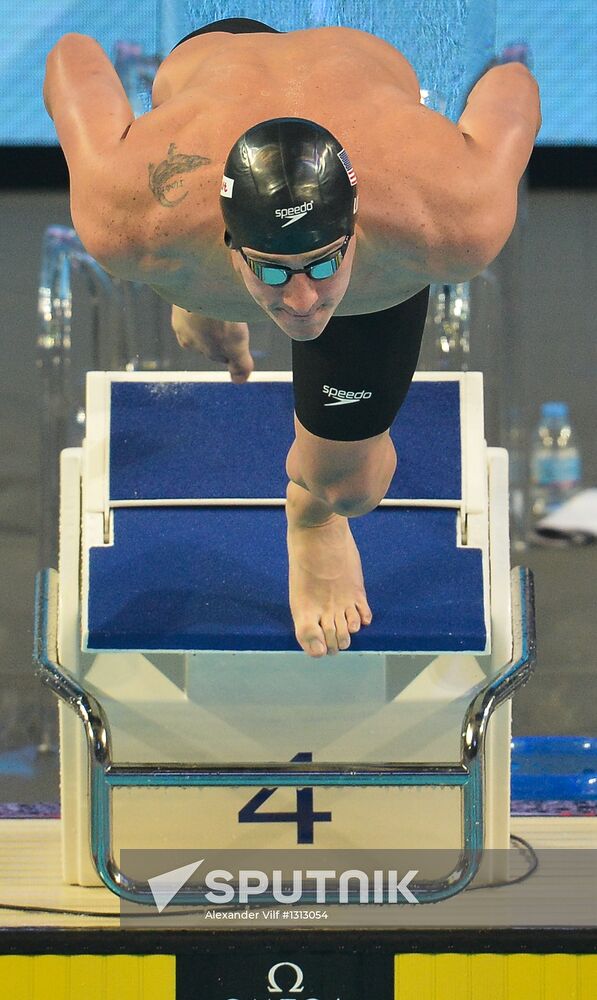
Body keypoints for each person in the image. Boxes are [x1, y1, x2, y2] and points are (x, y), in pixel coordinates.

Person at [43, 19, 541, 658]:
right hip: (214, 71)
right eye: (273, 270)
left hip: (366, 138)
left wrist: (440, 124)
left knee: (351, 486)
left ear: (356, 231)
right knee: (168, 258)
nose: (305, 302)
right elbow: (72, 57)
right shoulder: (131, 217)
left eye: (325, 263)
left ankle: (313, 516)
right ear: (227, 243)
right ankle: (206, 296)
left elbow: (513, 85)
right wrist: (186, 285)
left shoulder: (448, 213)